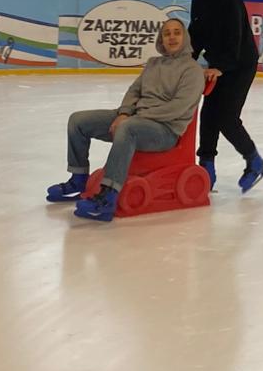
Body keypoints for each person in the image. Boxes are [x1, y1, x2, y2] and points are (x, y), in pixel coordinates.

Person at [46, 18, 205, 222]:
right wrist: (123, 113)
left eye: (177, 32)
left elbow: (177, 108)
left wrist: (135, 118)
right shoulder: (153, 64)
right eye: (167, 33)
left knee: (128, 128)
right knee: (78, 121)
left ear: (185, 38)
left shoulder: (192, 71)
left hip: (164, 130)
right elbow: (134, 91)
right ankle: (78, 179)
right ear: (161, 39)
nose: (172, 37)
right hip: (135, 119)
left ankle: (108, 198)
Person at [183, 0, 263, 192]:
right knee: (209, 115)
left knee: (227, 118)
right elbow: (196, 33)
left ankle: (254, 161)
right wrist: (185, 58)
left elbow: (234, 37)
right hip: (218, 65)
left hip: (240, 64)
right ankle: (206, 168)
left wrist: (220, 66)